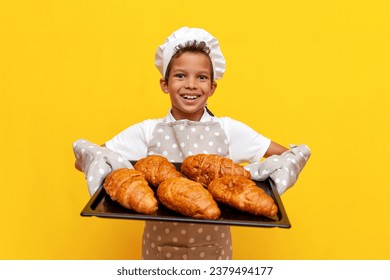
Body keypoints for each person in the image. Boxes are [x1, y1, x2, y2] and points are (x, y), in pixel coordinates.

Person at [73, 27, 311, 260]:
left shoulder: (228, 130)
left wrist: (268, 175)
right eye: (180, 75)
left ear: (212, 87)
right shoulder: (148, 131)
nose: (191, 84)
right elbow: (87, 159)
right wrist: (101, 168)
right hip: (159, 252)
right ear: (164, 85)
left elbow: (287, 155)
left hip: (213, 251)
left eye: (202, 77)